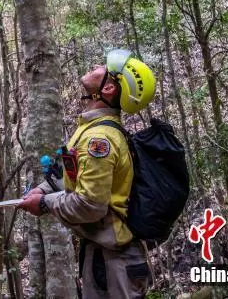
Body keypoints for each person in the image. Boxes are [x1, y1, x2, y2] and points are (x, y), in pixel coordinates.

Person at [18, 49, 156, 299]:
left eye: (104, 69)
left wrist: (45, 204)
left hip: (115, 263)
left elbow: (90, 205)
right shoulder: (92, 129)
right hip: (104, 257)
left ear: (108, 89)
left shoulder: (99, 139)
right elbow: (75, 176)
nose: (95, 65)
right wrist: (44, 188)